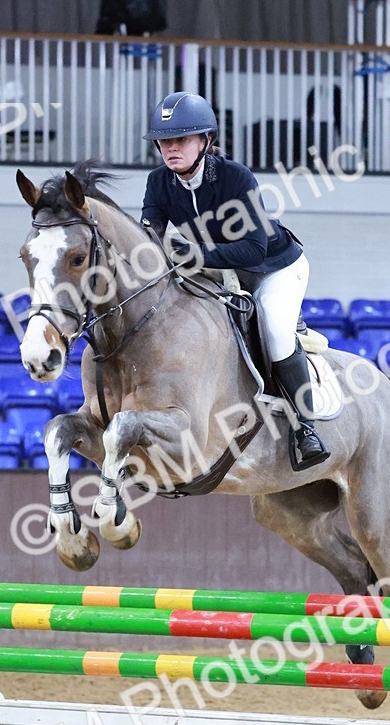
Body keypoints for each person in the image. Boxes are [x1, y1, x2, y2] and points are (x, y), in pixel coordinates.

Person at [140, 91, 329, 468]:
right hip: (220, 270)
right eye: (164, 141)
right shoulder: (159, 183)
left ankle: (306, 429)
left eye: (180, 140)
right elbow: (149, 239)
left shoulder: (235, 178)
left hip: (274, 267)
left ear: (205, 141)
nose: (170, 149)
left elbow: (254, 250)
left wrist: (191, 255)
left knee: (275, 331)